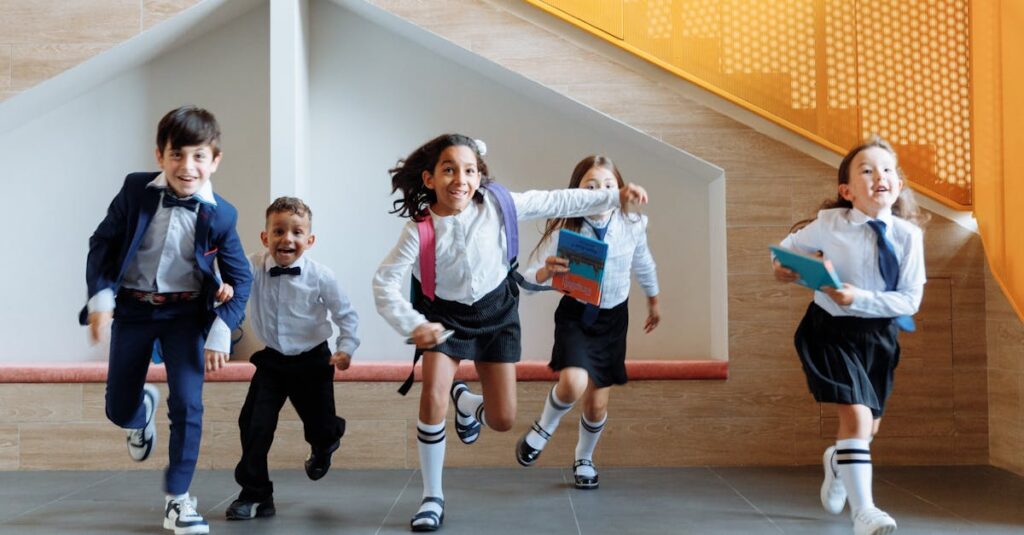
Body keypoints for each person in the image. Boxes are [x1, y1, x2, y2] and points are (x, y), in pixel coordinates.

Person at [372, 134, 648, 532]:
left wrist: (614, 196)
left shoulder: (500, 206)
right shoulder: (419, 231)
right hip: (442, 319)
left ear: (480, 176)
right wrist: (413, 325)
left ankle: (467, 404)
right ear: (430, 179)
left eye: (469, 170)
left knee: (502, 419)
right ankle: (432, 497)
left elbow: (558, 200)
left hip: (497, 313)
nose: (460, 179)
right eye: (449, 169)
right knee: (432, 396)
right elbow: (384, 282)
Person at [82, 106, 252, 535]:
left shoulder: (223, 214)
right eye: (177, 155)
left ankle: (179, 500)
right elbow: (102, 243)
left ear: (215, 160)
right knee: (118, 407)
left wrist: (219, 331)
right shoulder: (136, 190)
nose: (187, 167)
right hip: (134, 309)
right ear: (160, 155)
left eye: (199, 156)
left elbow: (241, 278)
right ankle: (140, 414)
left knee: (189, 405)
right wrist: (101, 299)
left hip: (186, 315)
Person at [773, 136, 927, 535]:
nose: (881, 176)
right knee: (857, 418)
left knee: (867, 428)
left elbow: (909, 300)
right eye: (867, 170)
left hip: (879, 336)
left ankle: (837, 461)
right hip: (829, 330)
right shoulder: (829, 225)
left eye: (888, 169)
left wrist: (859, 297)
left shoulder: (909, 237)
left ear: (899, 184)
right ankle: (866, 513)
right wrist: (784, 268)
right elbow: (782, 253)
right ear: (846, 190)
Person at [515, 155, 660, 491]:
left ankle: (584, 457)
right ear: (577, 192)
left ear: (621, 190)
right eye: (590, 187)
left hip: (613, 319)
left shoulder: (633, 224)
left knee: (596, 405)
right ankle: (543, 428)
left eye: (608, 186)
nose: (600, 193)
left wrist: (653, 301)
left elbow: (644, 263)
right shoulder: (569, 229)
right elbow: (530, 280)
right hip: (576, 316)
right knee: (572, 385)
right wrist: (546, 272)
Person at [226, 197, 359, 521]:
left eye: (297, 232)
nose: (288, 239)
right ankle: (256, 493)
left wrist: (347, 347)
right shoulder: (252, 266)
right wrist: (223, 287)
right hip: (272, 361)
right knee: (253, 424)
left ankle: (327, 442)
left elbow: (346, 314)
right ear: (265, 237)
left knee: (321, 425)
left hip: (314, 360)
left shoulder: (321, 276)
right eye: (279, 231)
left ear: (309, 240)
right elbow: (226, 275)